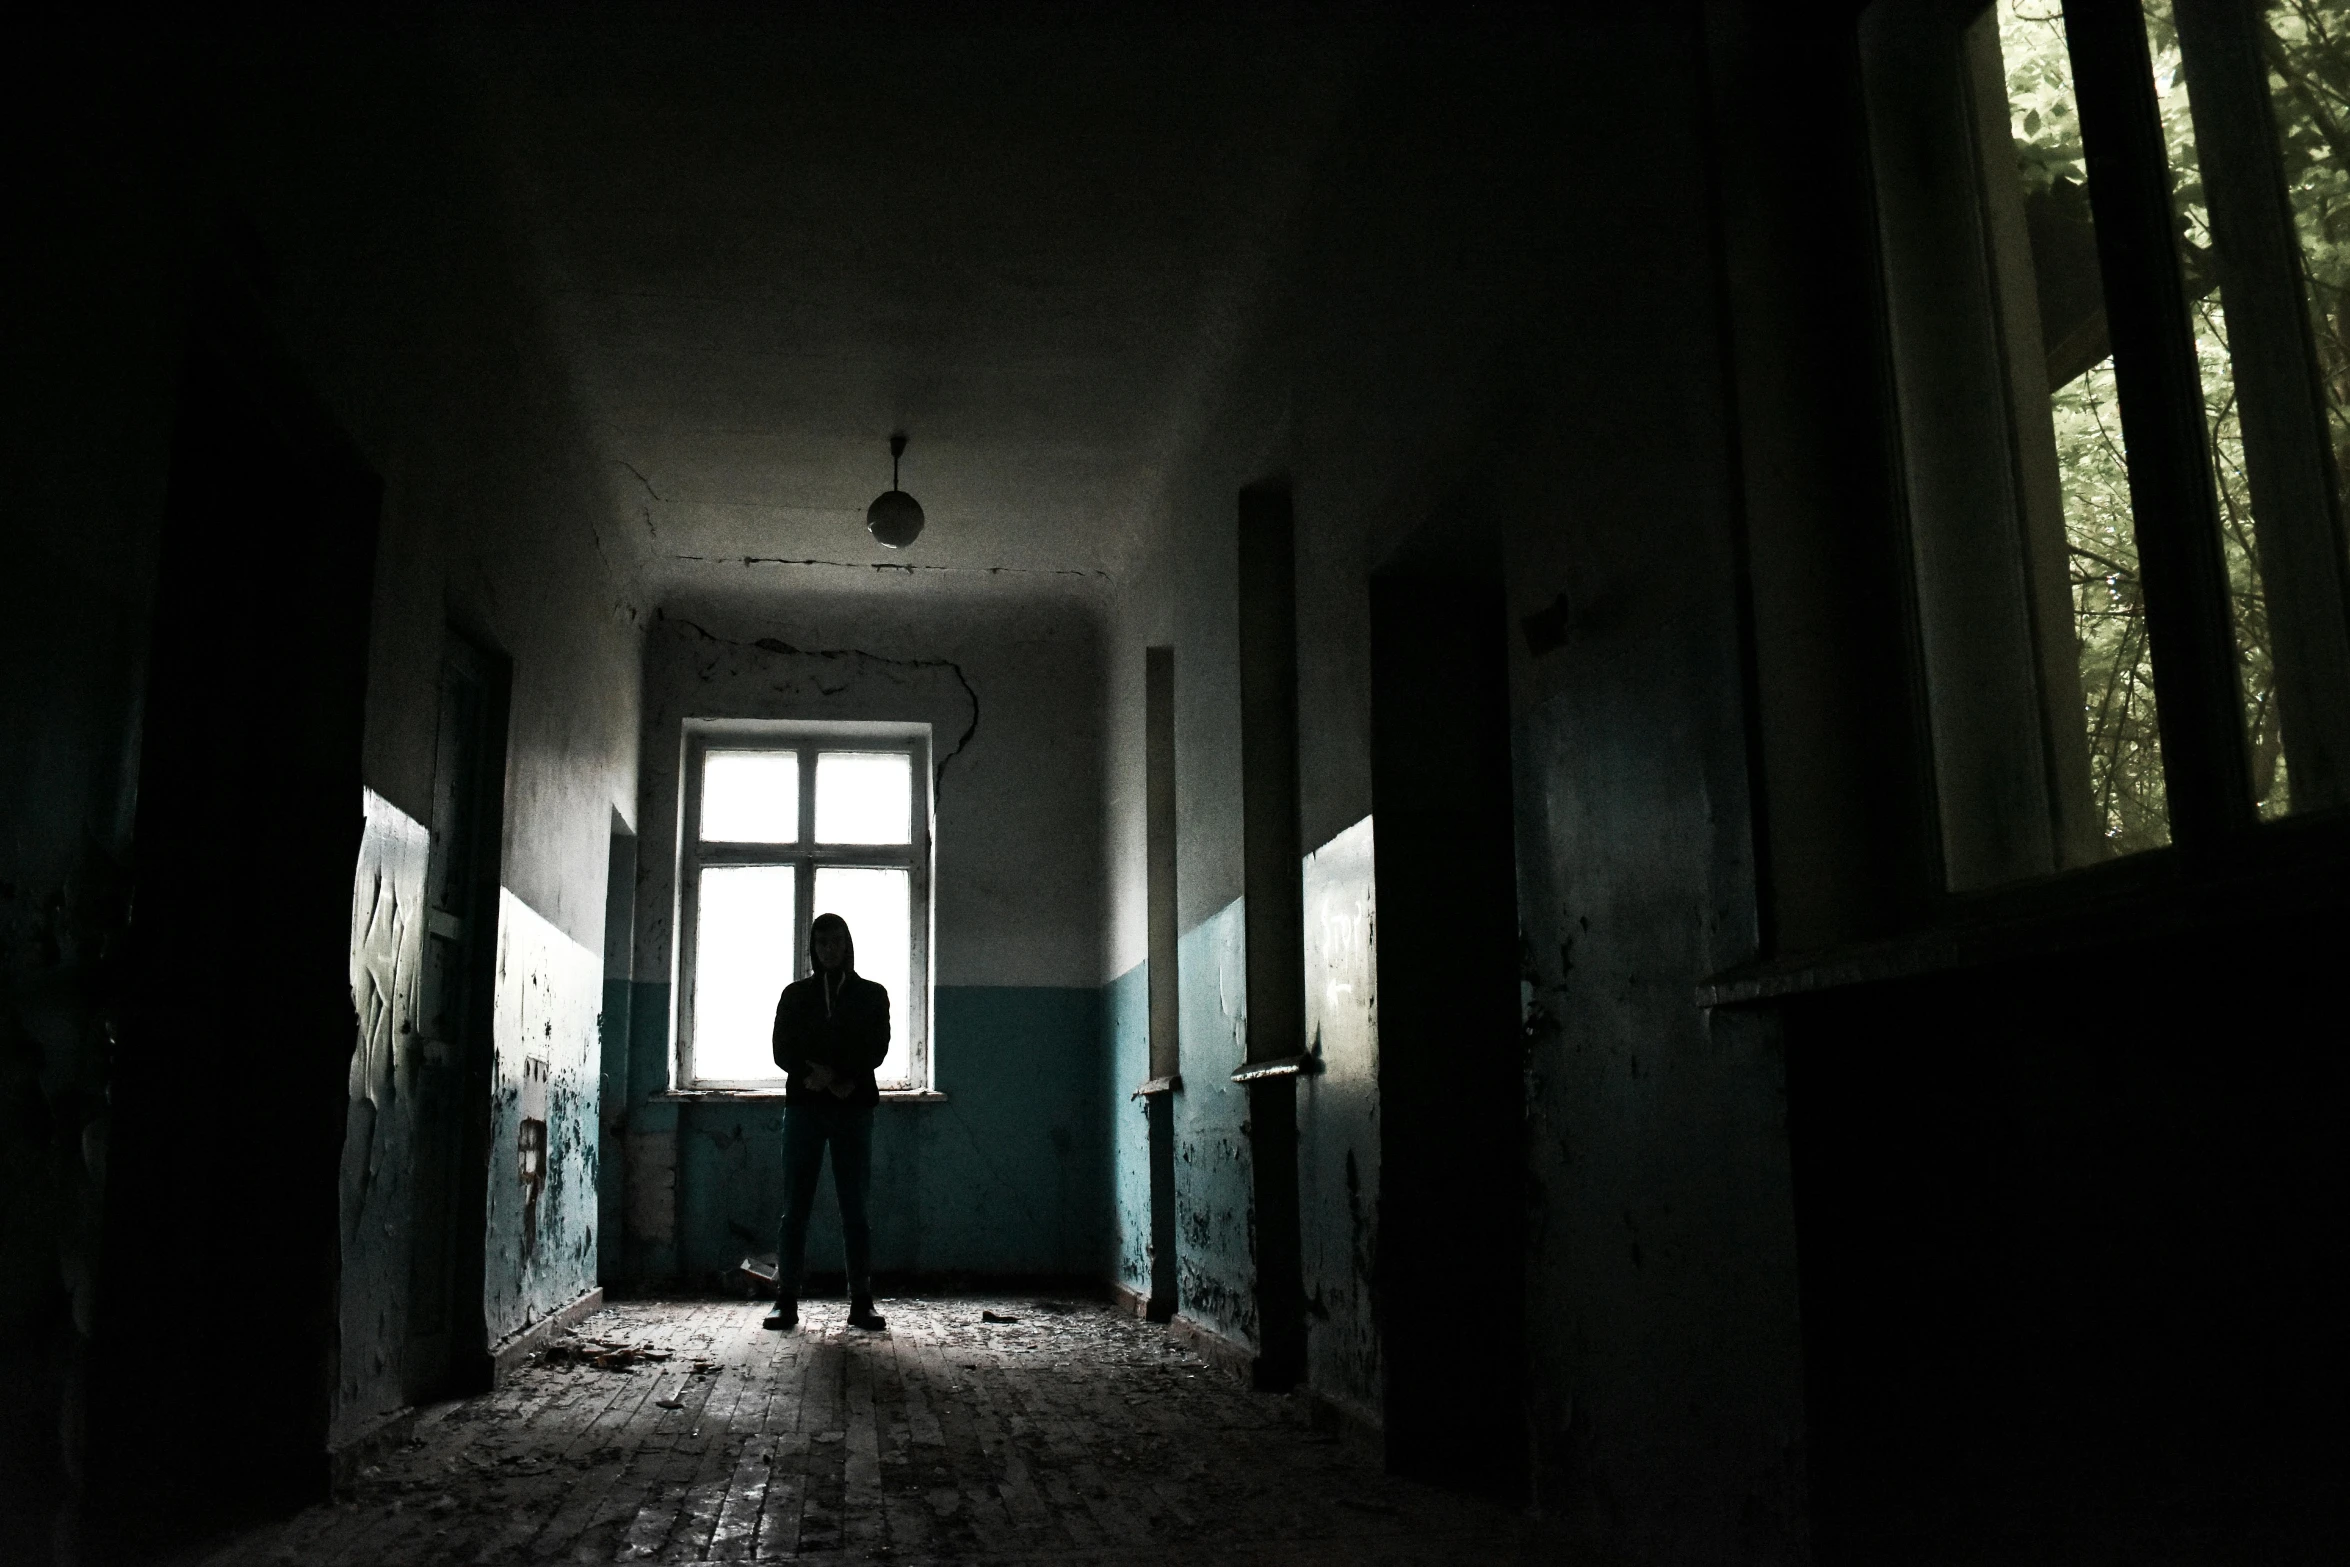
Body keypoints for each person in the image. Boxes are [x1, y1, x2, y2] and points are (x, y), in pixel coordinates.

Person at [765, 911, 890, 1331]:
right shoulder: (795, 994)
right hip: (805, 1107)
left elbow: (877, 1048)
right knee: (794, 1206)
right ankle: (786, 1299)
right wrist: (816, 1077)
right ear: (813, 948)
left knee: (854, 1206)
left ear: (847, 944)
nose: (828, 949)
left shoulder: (872, 994)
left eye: (835, 941)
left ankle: (861, 1300)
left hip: (852, 1108)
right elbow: (782, 1048)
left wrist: (838, 1077)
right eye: (821, 943)